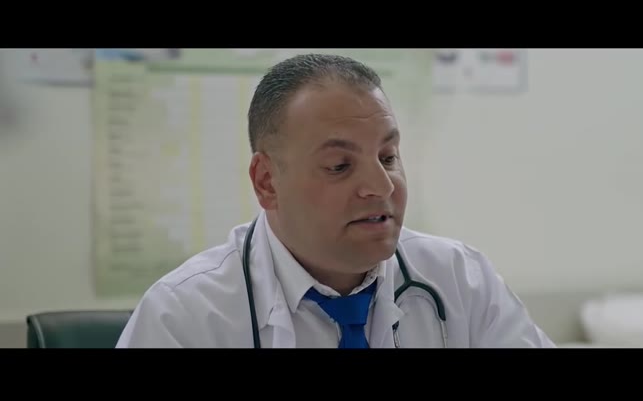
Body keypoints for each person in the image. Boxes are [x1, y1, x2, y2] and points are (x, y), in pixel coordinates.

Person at [116, 53, 555, 348]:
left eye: (388, 157)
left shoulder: (462, 280)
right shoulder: (182, 318)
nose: (381, 186)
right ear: (267, 182)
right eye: (340, 166)